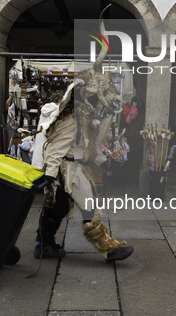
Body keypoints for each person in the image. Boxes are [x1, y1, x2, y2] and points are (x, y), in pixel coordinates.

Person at [33, 82, 134, 262]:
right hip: (69, 173)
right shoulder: (71, 119)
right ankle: (108, 249)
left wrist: (104, 164)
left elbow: (89, 147)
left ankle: (43, 244)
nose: (97, 104)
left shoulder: (81, 117)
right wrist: (49, 175)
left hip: (77, 170)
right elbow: (56, 149)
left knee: (59, 208)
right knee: (89, 210)